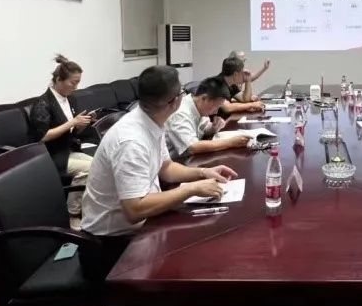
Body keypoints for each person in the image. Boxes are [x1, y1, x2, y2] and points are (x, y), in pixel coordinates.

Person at [81, 65, 238, 278]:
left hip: (142, 224)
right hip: (112, 245)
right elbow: (135, 210)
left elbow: (166, 168)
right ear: (175, 101)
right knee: (199, 260)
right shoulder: (131, 141)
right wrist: (190, 190)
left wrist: (203, 172)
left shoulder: (151, 120)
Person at [28, 55, 94, 228]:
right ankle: (72, 214)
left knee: (100, 165)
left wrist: (81, 124)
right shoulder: (42, 104)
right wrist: (72, 123)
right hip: (51, 155)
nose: (76, 87)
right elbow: (42, 137)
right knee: (89, 169)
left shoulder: (70, 99)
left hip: (68, 149)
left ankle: (88, 208)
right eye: (73, 83)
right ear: (58, 80)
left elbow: (72, 131)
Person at [166, 77, 251, 159]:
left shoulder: (197, 106)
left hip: (192, 159)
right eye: (216, 106)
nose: (216, 112)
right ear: (204, 98)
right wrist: (230, 143)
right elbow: (192, 147)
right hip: (177, 162)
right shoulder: (181, 113)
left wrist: (214, 127)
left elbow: (203, 129)